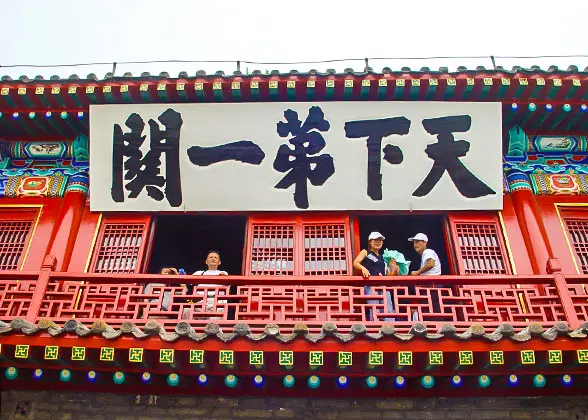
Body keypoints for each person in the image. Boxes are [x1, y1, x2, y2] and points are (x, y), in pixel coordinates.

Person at [353, 232, 397, 320]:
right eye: (375, 240)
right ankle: (375, 328)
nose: (378, 242)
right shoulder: (365, 252)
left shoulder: (383, 257)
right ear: (370, 242)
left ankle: (390, 328)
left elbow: (389, 273)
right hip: (371, 285)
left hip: (383, 286)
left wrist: (394, 265)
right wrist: (363, 268)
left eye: (380, 240)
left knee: (388, 308)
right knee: (374, 309)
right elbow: (355, 262)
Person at [408, 233, 442, 318]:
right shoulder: (425, 254)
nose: (415, 245)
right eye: (414, 242)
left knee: (432, 308)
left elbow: (431, 264)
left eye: (418, 242)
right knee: (431, 309)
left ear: (425, 243)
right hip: (431, 286)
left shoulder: (427, 251)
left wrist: (417, 272)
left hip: (432, 285)